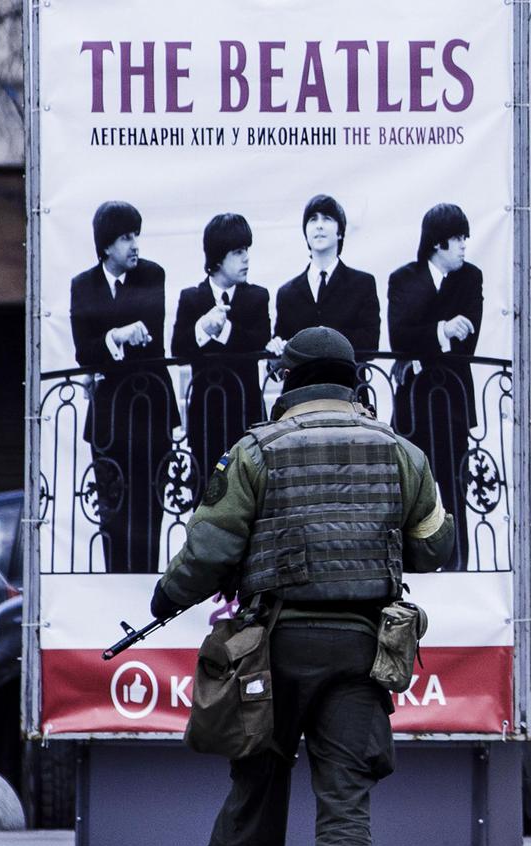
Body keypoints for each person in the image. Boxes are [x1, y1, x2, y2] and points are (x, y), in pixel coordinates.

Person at [155, 326, 455, 846]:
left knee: (255, 791)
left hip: (274, 649)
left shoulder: (256, 451)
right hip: (359, 650)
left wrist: (168, 595)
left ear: (287, 380)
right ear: (353, 380)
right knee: (344, 800)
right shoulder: (401, 453)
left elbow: (208, 551)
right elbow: (437, 546)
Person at [69, 200, 175, 573]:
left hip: (150, 410)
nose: (135, 245)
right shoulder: (83, 285)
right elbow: (84, 351)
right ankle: (115, 586)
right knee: (112, 509)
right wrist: (117, 335)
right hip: (109, 417)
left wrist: (107, 345)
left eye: (136, 236)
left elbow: (150, 335)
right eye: (126, 238)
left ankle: (146, 585)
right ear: (106, 245)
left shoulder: (151, 274)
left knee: (149, 509)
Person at [387, 204, 485, 571]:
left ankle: (458, 563)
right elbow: (399, 338)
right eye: (458, 238)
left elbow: (468, 344)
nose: (463, 246)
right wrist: (442, 330)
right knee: (411, 487)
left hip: (453, 402)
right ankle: (410, 565)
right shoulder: (404, 279)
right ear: (437, 243)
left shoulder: (470, 278)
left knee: (454, 484)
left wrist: (423, 344)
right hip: (414, 403)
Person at [171, 212, 271, 497]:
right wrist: (203, 327)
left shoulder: (257, 296)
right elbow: (178, 348)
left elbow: (259, 341)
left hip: (246, 414)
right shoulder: (191, 298)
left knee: (250, 494)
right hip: (206, 417)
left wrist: (224, 331)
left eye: (247, 251)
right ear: (217, 257)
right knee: (207, 495)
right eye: (238, 252)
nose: (247, 259)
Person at [272, 195, 380, 355]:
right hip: (304, 380)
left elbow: (370, 342)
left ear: (340, 232)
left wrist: (323, 339)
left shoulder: (363, 284)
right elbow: (282, 356)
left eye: (327, 219)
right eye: (313, 219)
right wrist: (276, 351)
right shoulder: (287, 293)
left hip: (346, 378)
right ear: (305, 233)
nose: (319, 226)